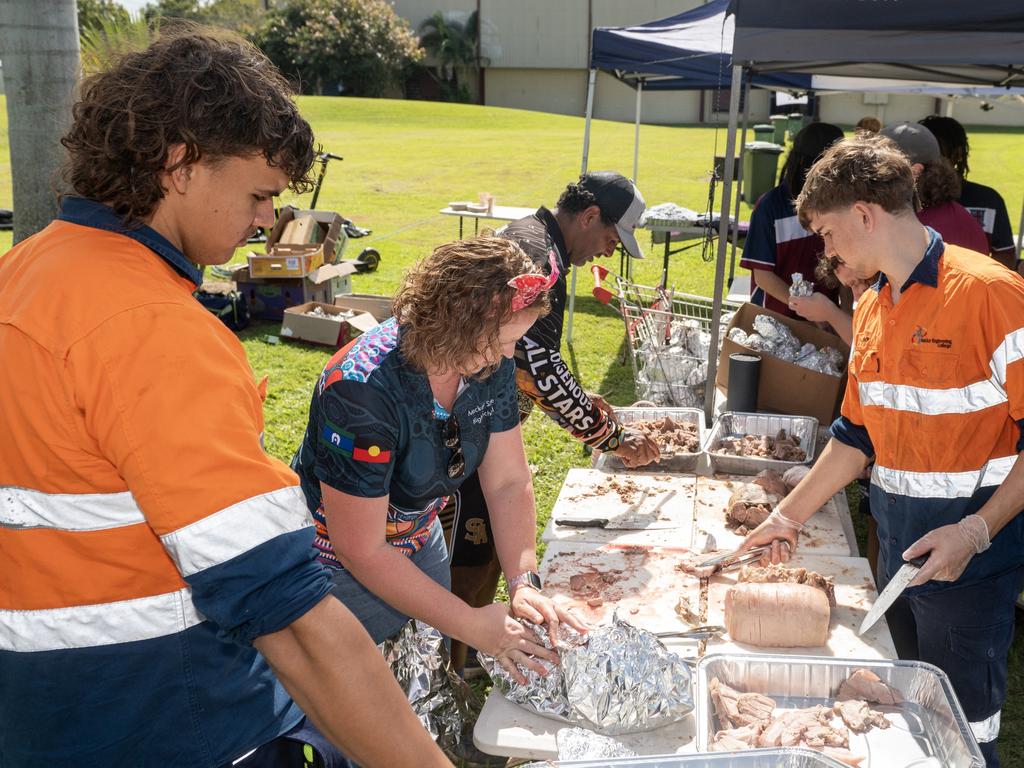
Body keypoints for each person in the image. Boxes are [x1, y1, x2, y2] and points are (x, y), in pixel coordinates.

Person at [0, 27, 450, 768]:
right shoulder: (147, 326)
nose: (268, 219)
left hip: (51, 718)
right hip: (174, 720)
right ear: (181, 163)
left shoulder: (26, 274)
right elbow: (290, 618)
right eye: (260, 193)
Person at [740, 132, 1024, 767]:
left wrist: (975, 531)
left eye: (829, 233)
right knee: (908, 728)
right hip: (899, 559)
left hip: (970, 569)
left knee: (966, 738)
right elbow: (854, 438)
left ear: (865, 214)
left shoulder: (990, 294)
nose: (826, 250)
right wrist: (785, 517)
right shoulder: (870, 305)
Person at [291, 235, 587, 685]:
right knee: (358, 699)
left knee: (423, 679)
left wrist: (524, 579)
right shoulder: (361, 389)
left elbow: (507, 481)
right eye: (504, 341)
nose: (509, 355)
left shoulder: (490, 362)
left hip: (418, 538)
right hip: (335, 570)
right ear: (457, 322)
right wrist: (470, 624)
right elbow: (362, 549)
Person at [443, 172, 661, 674]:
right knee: (471, 555)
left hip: (482, 425)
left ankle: (465, 651)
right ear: (588, 217)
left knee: (493, 543)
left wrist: (581, 397)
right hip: (468, 431)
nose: (607, 253)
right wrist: (612, 436)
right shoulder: (538, 257)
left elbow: (531, 363)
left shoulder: (534, 237)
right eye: (610, 239)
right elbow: (532, 365)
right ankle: (454, 662)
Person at [740, 122, 844, 319]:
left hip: (826, 318)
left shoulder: (841, 206)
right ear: (811, 166)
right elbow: (762, 276)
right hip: (776, 318)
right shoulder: (770, 206)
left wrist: (840, 317)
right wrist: (806, 309)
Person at [919, 115, 1017, 270]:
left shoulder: (988, 200)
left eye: (937, 152)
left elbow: (1005, 256)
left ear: (957, 154)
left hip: (971, 288)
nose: (929, 160)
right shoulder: (901, 199)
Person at [880, 122, 989, 254]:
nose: (867, 177)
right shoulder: (959, 217)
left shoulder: (914, 227)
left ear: (915, 172)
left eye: (879, 170)